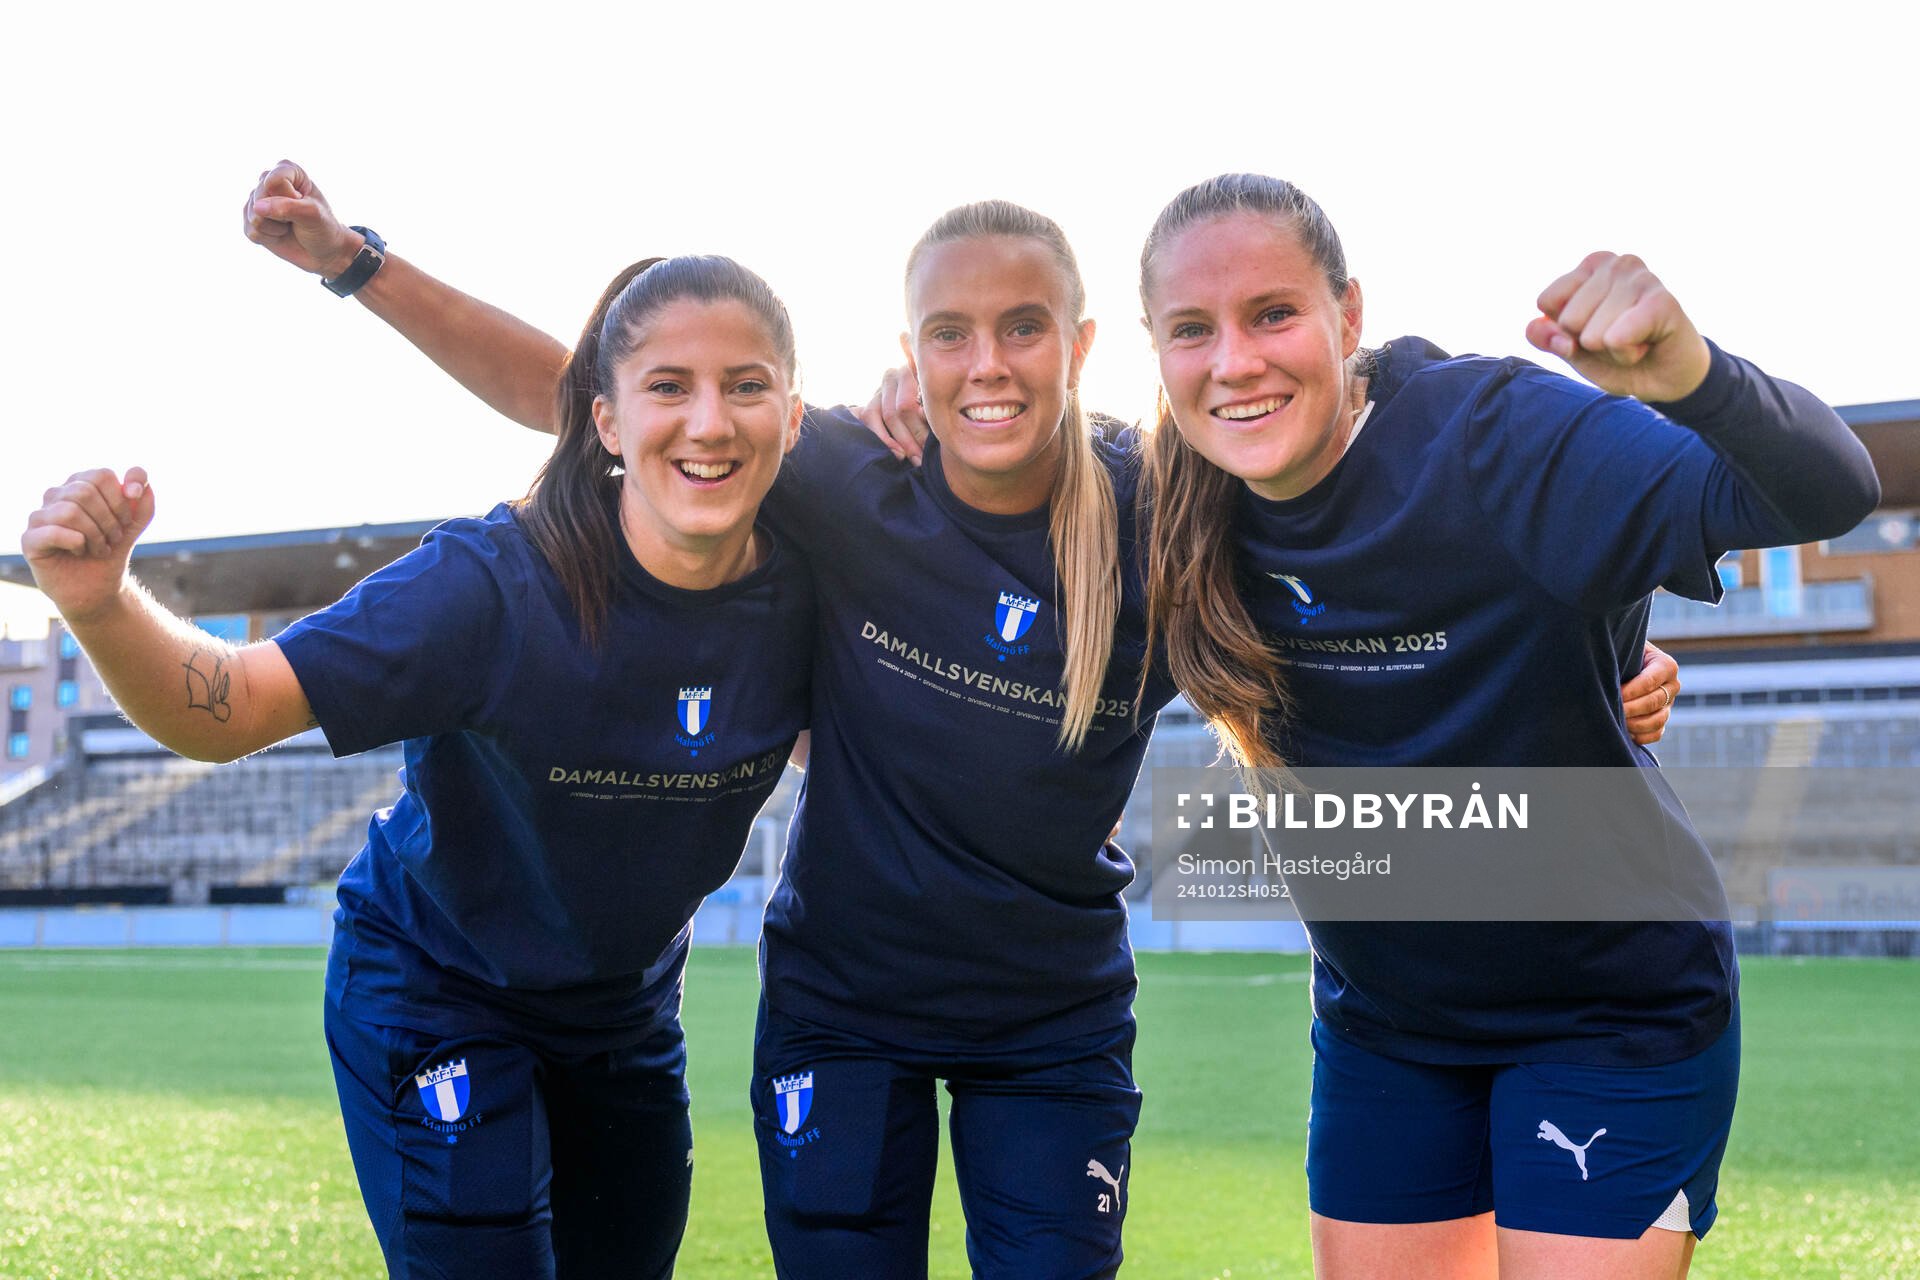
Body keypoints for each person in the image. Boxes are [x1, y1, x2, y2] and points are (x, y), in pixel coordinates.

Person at [238, 161, 1681, 1278]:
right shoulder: (847, 474)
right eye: (950, 333)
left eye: (1021, 329)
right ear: (909, 353)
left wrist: (1588, 669)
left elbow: (1372, 573)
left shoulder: (1166, 505)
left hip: (1049, 1028)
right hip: (841, 1013)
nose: (986, 364)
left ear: (1081, 341)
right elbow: (583, 389)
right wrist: (360, 266)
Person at [1130, 173, 1879, 1280]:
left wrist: (1693, 376)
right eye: (1192, 329)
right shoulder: (1164, 502)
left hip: (1609, 1014)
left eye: (1273, 312)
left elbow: (1826, 492)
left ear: (1347, 315)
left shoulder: (1496, 435)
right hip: (1386, 1026)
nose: (1234, 361)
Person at [22, 254, 814, 1278]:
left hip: (621, 1010)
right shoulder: (488, 586)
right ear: (605, 420)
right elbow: (231, 709)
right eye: (667, 385)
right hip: (437, 985)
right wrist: (99, 602)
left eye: (745, 386)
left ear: (794, 416)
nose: (710, 421)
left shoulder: (819, 579)